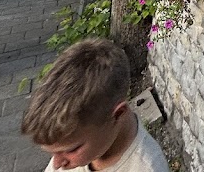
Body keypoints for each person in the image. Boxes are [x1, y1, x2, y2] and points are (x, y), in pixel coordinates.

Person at [21, 38, 168, 172]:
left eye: (72, 150)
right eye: (53, 152)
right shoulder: (81, 140)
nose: (56, 164)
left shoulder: (146, 167)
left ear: (118, 115)